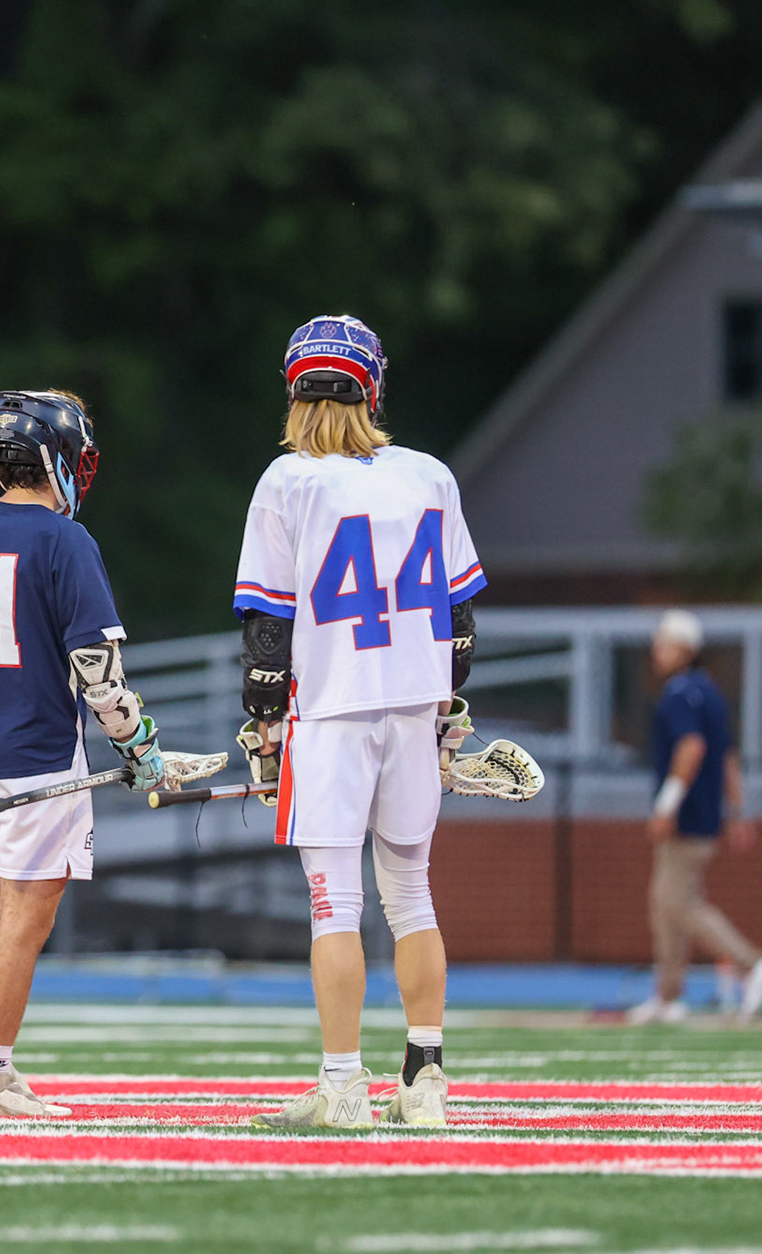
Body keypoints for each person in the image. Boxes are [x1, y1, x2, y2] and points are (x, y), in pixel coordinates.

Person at [231, 315, 485, 1129]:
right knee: (413, 897)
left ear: (296, 388)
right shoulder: (428, 475)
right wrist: (447, 718)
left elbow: (268, 633)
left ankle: (344, 1085)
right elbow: (463, 623)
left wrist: (265, 724)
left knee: (335, 907)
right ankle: (427, 1078)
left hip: (332, 711)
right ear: (371, 386)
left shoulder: (288, 481)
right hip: (413, 707)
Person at [0, 389, 163, 1119]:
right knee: (27, 915)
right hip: (42, 752)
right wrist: (137, 743)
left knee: (12, 907)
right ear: (62, 457)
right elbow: (96, 671)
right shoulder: (66, 541)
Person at [627, 609, 762, 1025]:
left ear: (684, 648)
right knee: (665, 904)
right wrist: (737, 810)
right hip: (706, 813)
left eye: (664, 642)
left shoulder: (679, 693)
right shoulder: (711, 693)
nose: (657, 650)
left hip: (686, 815)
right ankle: (669, 995)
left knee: (677, 902)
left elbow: (692, 749)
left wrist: (666, 806)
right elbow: (727, 758)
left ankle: (753, 964)